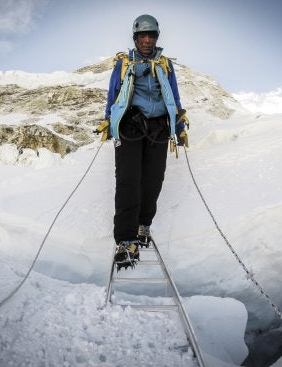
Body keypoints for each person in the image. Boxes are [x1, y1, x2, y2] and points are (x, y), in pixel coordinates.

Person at [95, 14, 189, 270]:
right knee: (128, 181)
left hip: (159, 128)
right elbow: (114, 94)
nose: (147, 40)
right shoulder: (124, 63)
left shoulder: (166, 65)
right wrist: (108, 122)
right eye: (142, 36)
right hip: (129, 126)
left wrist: (179, 127)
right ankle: (126, 239)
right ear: (136, 38)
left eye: (151, 36)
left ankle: (142, 225)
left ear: (156, 38)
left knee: (153, 180)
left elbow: (174, 98)